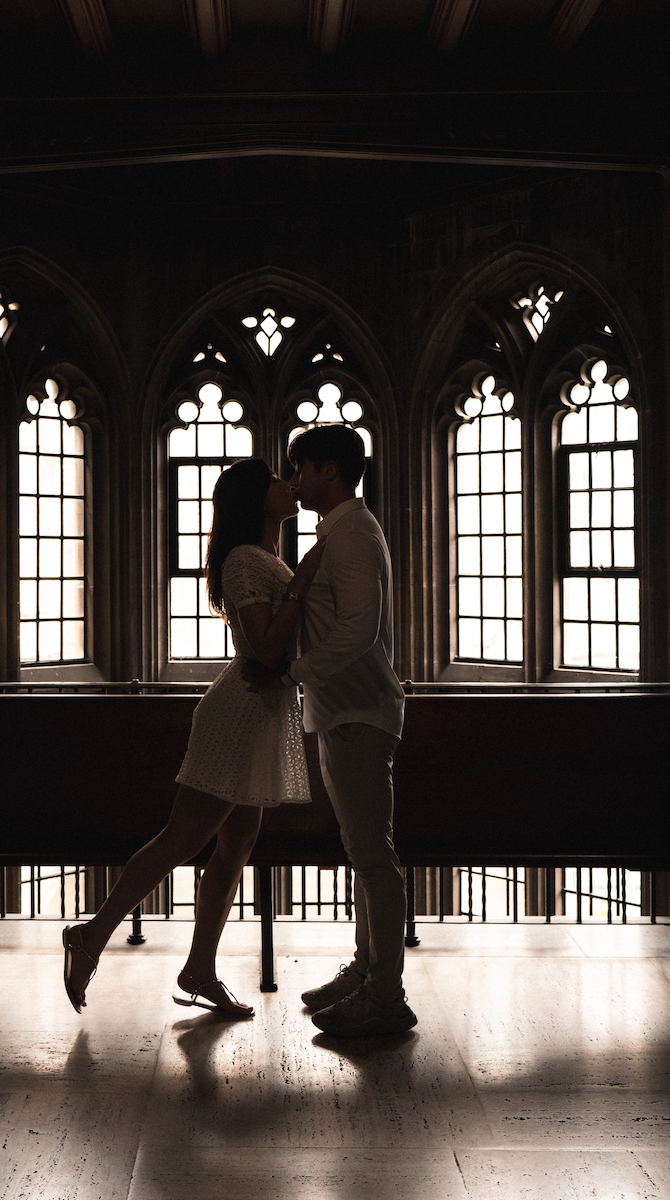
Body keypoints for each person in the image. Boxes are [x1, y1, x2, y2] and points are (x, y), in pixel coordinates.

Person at [62, 458, 323, 1018]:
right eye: (278, 479)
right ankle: (91, 934)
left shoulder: (263, 557)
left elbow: (274, 654)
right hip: (239, 715)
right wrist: (303, 581)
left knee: (238, 841)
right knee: (181, 838)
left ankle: (199, 966)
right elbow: (266, 648)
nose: (289, 484)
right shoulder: (244, 561)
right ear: (256, 499)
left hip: (260, 712)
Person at [246, 424, 416, 1038]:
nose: (294, 481)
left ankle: (386, 995)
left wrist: (294, 671)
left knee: (373, 856)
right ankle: (368, 970)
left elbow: (360, 630)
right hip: (344, 711)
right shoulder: (341, 531)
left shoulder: (352, 536)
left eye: (301, 468)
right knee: (364, 852)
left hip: (359, 713)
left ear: (330, 471)